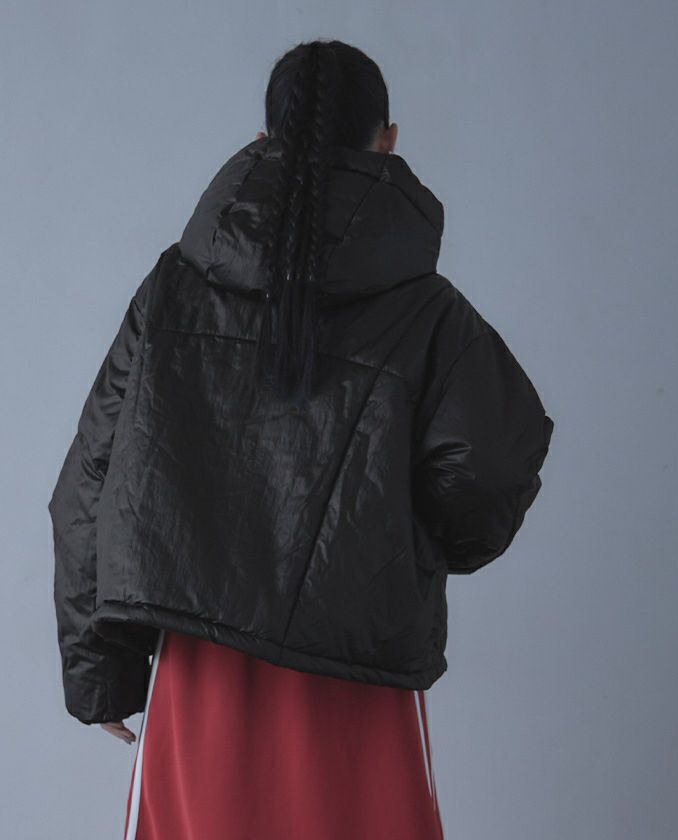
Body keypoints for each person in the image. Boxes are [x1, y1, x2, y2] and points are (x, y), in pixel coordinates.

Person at [48, 38, 554, 840]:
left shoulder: (172, 288)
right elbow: (488, 467)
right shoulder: (430, 310)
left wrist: (99, 669)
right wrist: (408, 548)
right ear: (387, 141)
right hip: (358, 666)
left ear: (263, 140)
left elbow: (91, 476)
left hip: (201, 668)